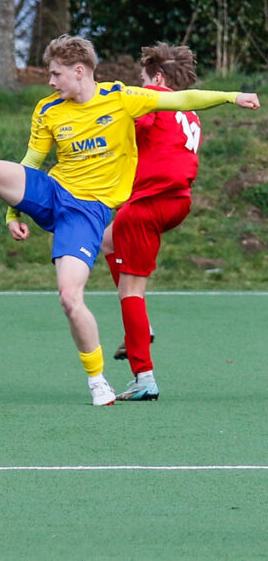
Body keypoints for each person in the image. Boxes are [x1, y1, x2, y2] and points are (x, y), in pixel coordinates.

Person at [0, 34, 259, 406]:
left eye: (55, 73)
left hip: (86, 213)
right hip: (52, 192)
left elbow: (183, 97)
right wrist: (13, 209)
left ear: (79, 71)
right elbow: (32, 162)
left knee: (70, 298)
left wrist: (233, 96)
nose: (50, 81)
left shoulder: (122, 98)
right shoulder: (48, 110)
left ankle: (98, 380)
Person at [102, 43, 201, 401]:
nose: (140, 86)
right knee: (107, 239)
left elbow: (122, 123)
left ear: (157, 79)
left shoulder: (153, 101)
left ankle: (144, 378)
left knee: (131, 291)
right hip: (178, 201)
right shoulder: (190, 111)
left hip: (148, 203)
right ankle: (141, 325)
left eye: (143, 80)